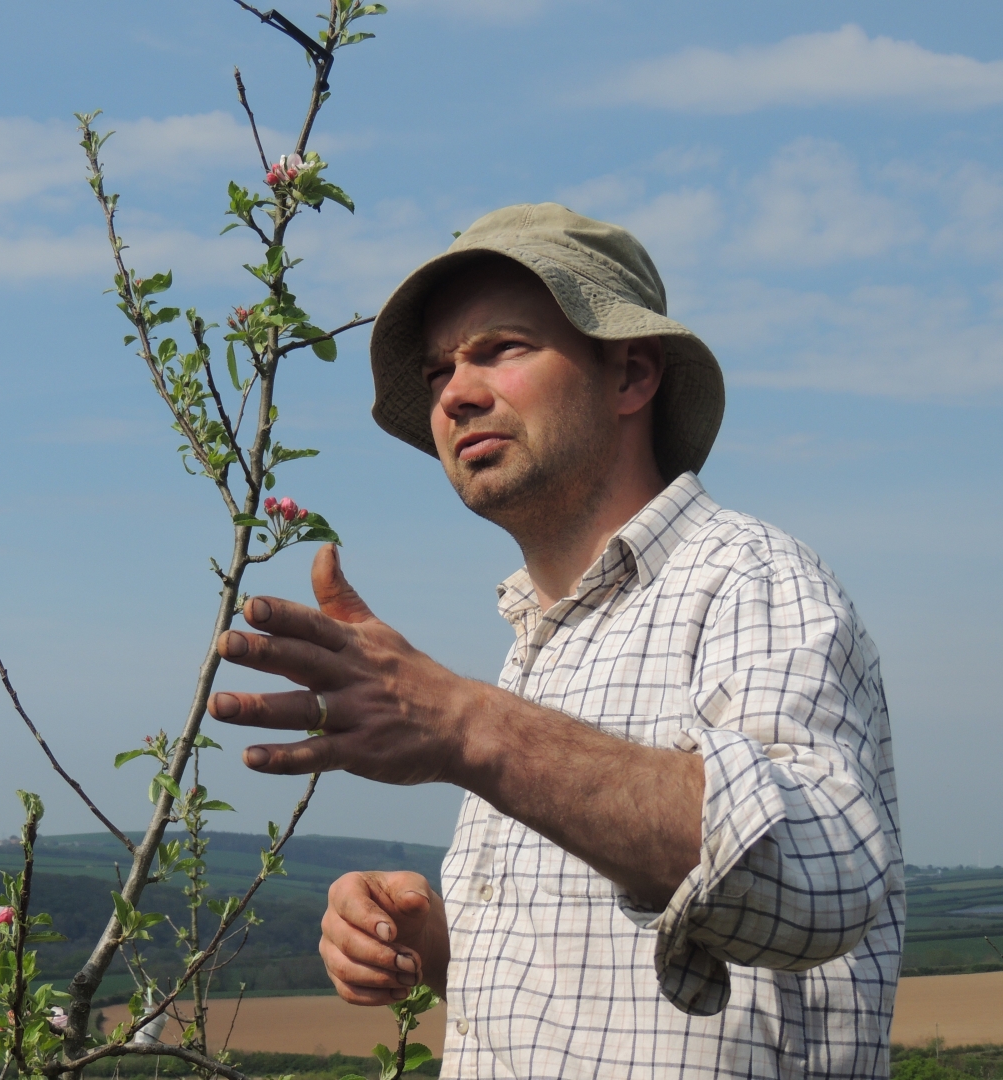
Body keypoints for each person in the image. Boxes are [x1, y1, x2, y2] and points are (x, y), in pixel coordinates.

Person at [206, 204, 902, 1078]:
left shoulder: (751, 579)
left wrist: (466, 727)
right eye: (437, 369)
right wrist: (426, 939)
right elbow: (589, 980)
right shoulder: (539, 646)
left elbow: (823, 876)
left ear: (632, 374)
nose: (455, 392)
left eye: (501, 348)